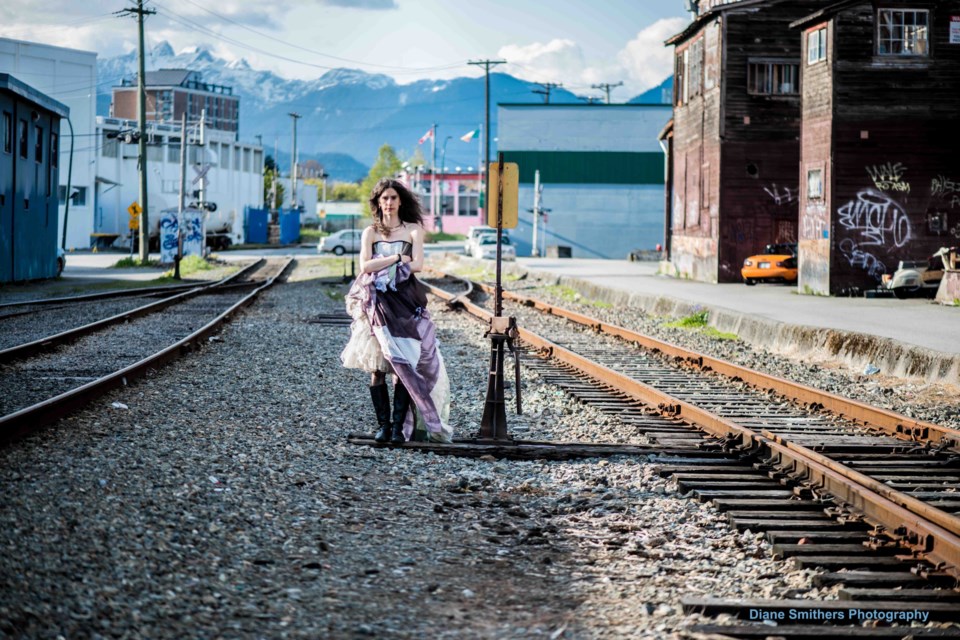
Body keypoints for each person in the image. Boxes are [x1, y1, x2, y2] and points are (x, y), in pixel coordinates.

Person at [340, 178, 453, 444]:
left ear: (400, 200)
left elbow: (419, 265)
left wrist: (387, 263)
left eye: (392, 198)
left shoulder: (413, 230)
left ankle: (398, 428)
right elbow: (364, 267)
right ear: (378, 203)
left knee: (405, 363)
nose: (388, 203)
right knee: (377, 367)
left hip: (404, 302)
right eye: (384, 199)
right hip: (377, 303)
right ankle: (384, 426)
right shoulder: (371, 232)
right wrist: (396, 258)